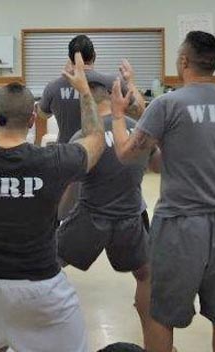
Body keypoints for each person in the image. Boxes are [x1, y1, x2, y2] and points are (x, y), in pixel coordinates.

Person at [0, 50, 103, 352]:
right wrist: (84, 91)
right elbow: (95, 140)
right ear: (31, 118)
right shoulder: (52, 161)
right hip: (41, 288)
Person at [111, 31, 215, 352]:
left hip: (179, 224)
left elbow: (126, 154)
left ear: (183, 61)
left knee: (161, 316)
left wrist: (119, 115)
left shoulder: (168, 104)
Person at [56, 79, 160, 349]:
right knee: (146, 275)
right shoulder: (138, 131)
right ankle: (156, 344)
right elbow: (159, 166)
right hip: (130, 219)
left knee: (46, 264)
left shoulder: (84, 136)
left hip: (91, 218)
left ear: (86, 103)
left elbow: (71, 188)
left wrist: (59, 215)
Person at [37, 34, 145, 145]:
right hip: (101, 151)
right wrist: (130, 82)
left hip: (67, 152)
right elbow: (139, 112)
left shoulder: (53, 86)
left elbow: (43, 114)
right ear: (94, 55)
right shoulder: (114, 82)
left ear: (70, 58)